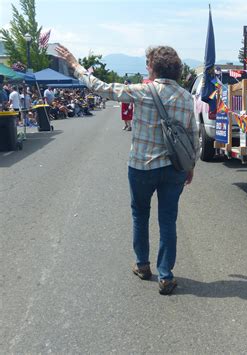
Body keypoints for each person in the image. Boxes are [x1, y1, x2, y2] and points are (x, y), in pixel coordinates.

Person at [56, 44, 199, 295]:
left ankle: (142, 265)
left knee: (140, 214)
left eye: (147, 64)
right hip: (174, 167)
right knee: (168, 220)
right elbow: (193, 136)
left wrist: (76, 66)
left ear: (153, 68)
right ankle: (166, 275)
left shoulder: (141, 91)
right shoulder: (187, 97)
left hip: (142, 166)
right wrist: (191, 166)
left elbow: (101, 88)